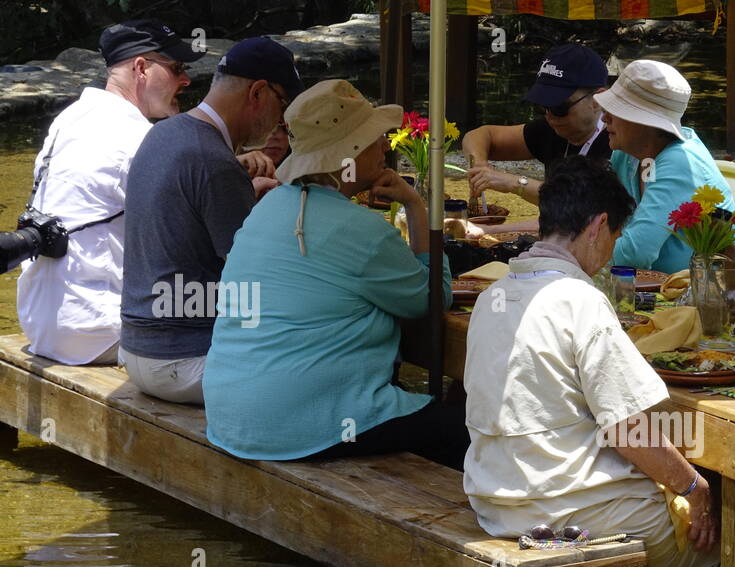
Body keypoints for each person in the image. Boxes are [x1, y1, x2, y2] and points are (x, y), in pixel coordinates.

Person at [463, 156, 720, 567]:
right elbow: (628, 429)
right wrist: (695, 488)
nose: (610, 251)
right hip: (572, 507)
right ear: (600, 225)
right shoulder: (580, 300)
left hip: (496, 503)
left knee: (666, 521)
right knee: (724, 561)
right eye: (616, 236)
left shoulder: (493, 295)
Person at [204, 80, 461, 467]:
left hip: (231, 416)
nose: (384, 147)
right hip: (300, 424)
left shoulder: (269, 205)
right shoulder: (361, 230)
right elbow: (433, 298)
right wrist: (415, 205)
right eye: (374, 138)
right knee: (467, 431)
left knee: (422, 410)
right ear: (350, 155)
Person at [118, 36, 302, 405]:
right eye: (282, 105)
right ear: (258, 93)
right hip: (186, 359)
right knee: (333, 357)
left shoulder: (162, 133)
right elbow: (261, 277)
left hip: (138, 349)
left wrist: (246, 196)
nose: (281, 120)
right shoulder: (213, 161)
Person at [16, 19, 205, 366]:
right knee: (244, 316)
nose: (186, 79)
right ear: (141, 68)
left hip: (41, 322)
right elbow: (190, 236)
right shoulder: (135, 138)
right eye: (176, 68)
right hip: (96, 330)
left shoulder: (71, 120)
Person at [594, 59, 735, 273]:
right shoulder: (626, 154)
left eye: (617, 110)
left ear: (646, 122)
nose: (604, 118)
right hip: (651, 287)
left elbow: (635, 253)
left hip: (699, 292)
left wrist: (573, 255)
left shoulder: (680, 161)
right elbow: (598, 221)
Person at [462, 43, 610, 233]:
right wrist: (480, 166)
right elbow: (479, 135)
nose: (550, 116)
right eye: (542, 107)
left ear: (598, 100)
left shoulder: (619, 144)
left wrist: (515, 184)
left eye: (559, 107)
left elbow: (580, 212)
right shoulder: (553, 128)